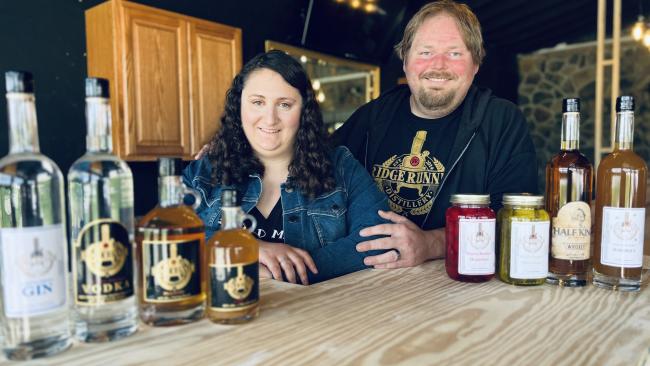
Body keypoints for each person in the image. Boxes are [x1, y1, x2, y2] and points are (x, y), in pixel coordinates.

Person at [330, 0, 538, 269]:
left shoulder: (501, 121)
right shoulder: (373, 116)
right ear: (405, 61)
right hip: (369, 276)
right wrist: (260, 244)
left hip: (458, 283)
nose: (438, 66)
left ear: (475, 64)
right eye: (425, 52)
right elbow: (308, 176)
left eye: (454, 54)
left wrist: (431, 244)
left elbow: (515, 222)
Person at [183, 50, 388, 285]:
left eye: (284, 104)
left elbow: (378, 237)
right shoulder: (207, 169)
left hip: (312, 315)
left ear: (304, 111)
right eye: (258, 102)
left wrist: (278, 271)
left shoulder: (341, 167)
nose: (270, 119)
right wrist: (246, 248)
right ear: (239, 106)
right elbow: (169, 233)